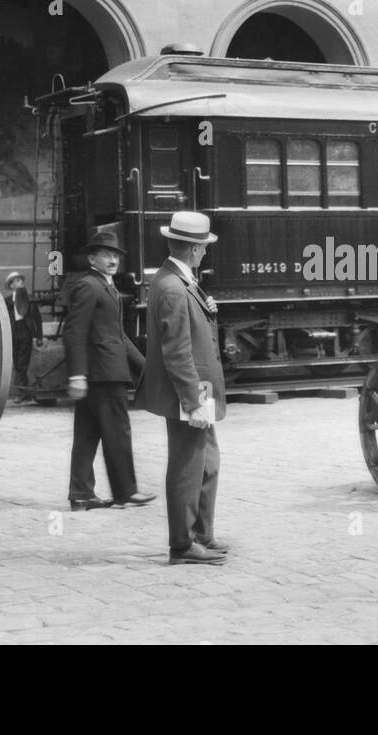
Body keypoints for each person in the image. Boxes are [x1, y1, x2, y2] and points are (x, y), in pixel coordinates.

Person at [139, 212, 228, 566]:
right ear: (193, 249)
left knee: (206, 462)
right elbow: (176, 352)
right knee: (187, 467)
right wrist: (193, 401)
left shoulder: (178, 280)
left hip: (196, 388)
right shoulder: (173, 288)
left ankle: (200, 534)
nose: (205, 253)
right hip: (190, 392)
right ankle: (183, 543)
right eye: (203, 248)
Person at [63, 230, 155, 511]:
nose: (113, 259)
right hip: (104, 374)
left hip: (103, 372)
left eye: (115, 255)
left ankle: (81, 494)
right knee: (118, 432)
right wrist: (77, 374)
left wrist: (145, 367)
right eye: (106, 254)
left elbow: (119, 336)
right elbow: (74, 331)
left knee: (87, 434)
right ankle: (126, 492)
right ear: (93, 258)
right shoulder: (89, 286)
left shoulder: (106, 286)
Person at [4, 271, 43, 402]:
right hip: (13, 333)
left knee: (22, 364)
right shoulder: (7, 301)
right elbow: (2, 319)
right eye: (17, 280)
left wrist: (39, 336)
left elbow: (38, 318)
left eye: (21, 280)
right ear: (11, 285)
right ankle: (26, 392)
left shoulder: (29, 298)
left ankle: (20, 393)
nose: (21, 282)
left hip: (25, 331)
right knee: (17, 362)